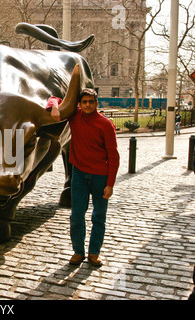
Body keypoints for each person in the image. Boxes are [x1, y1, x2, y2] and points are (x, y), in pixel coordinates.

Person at [47, 88, 120, 266]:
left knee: (99, 216)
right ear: (79, 104)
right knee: (76, 215)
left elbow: (113, 156)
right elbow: (53, 98)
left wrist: (110, 184)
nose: (88, 104)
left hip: (100, 177)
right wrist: (55, 107)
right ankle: (78, 252)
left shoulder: (105, 124)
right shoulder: (74, 115)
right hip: (79, 174)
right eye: (84, 101)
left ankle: (94, 253)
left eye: (91, 101)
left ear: (96, 103)